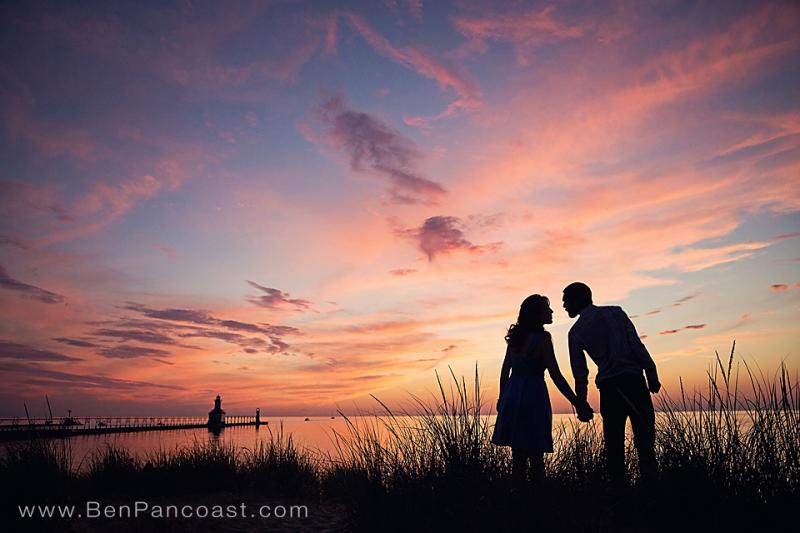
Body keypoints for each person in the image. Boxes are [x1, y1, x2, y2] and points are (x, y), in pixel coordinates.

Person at [562, 282, 660, 488]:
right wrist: (651, 372)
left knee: (614, 448)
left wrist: (581, 403)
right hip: (635, 383)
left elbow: (580, 374)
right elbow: (636, 344)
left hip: (611, 389)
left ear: (576, 301)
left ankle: (620, 498)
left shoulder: (576, 332)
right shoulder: (616, 313)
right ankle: (651, 493)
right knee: (646, 445)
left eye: (566, 301)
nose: (564, 306)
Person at [492, 294, 594, 489]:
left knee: (518, 456)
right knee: (536, 454)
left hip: (513, 394)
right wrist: (577, 402)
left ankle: (519, 498)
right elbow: (555, 374)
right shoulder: (543, 339)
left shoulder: (516, 337)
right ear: (537, 314)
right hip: (534, 395)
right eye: (547, 309)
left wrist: (502, 398)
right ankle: (538, 501)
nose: (552, 311)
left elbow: (506, 370)